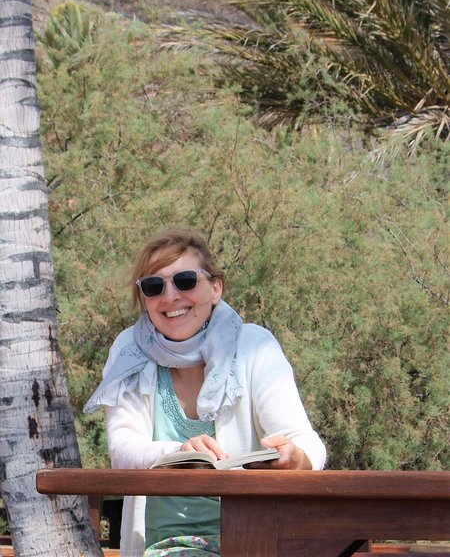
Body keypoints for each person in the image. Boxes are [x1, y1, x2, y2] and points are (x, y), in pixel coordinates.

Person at [84, 228, 326, 557]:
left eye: (185, 281)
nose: (170, 297)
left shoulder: (254, 346)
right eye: (154, 286)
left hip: (252, 539)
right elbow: (123, 451)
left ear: (215, 288)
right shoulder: (130, 353)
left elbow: (305, 441)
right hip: (162, 546)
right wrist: (179, 454)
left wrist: (295, 458)